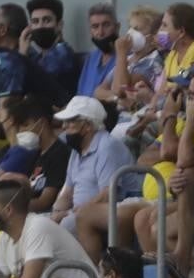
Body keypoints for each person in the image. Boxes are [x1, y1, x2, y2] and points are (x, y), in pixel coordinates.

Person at [50, 95, 137, 232]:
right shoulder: (77, 150)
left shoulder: (107, 146)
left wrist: (69, 214)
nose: (64, 126)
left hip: (109, 215)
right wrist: (54, 213)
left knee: (68, 224)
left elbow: (107, 195)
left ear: (88, 126)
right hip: (78, 213)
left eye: (70, 121)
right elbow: (67, 192)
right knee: (39, 224)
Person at [9, 96, 71, 213]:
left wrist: (13, 209)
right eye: (19, 127)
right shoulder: (36, 154)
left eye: (25, 125)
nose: (21, 131)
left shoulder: (59, 154)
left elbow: (45, 202)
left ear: (42, 123)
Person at [75, 3, 120, 97]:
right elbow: (80, 94)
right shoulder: (91, 57)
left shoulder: (126, 56)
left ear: (117, 27)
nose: (100, 32)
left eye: (106, 25)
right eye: (95, 27)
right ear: (90, 31)